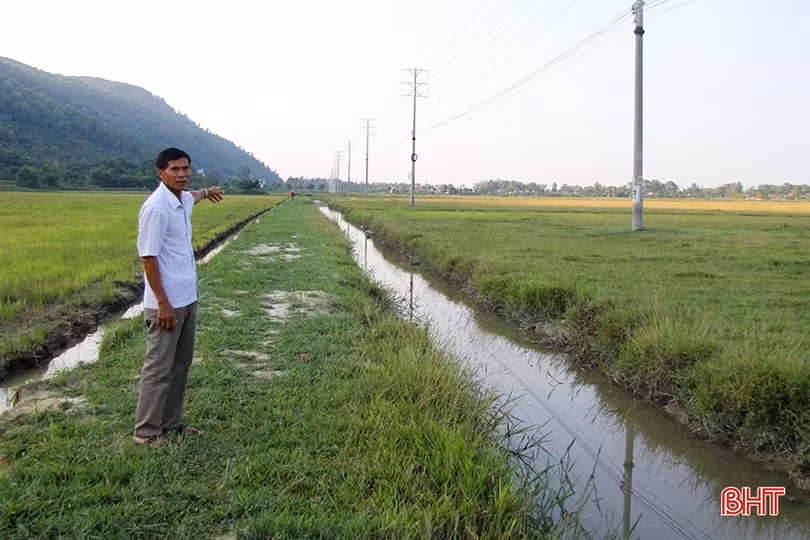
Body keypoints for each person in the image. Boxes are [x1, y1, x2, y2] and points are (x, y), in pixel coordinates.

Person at [133, 147, 224, 446]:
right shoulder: (156, 207)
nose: (182, 174)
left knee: (181, 365)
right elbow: (148, 258)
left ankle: (171, 424)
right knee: (158, 369)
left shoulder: (183, 198)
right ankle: (146, 432)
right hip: (167, 304)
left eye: (186, 168)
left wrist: (208, 191)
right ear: (161, 172)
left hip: (187, 298)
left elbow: (195, 195)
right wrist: (163, 303)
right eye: (175, 169)